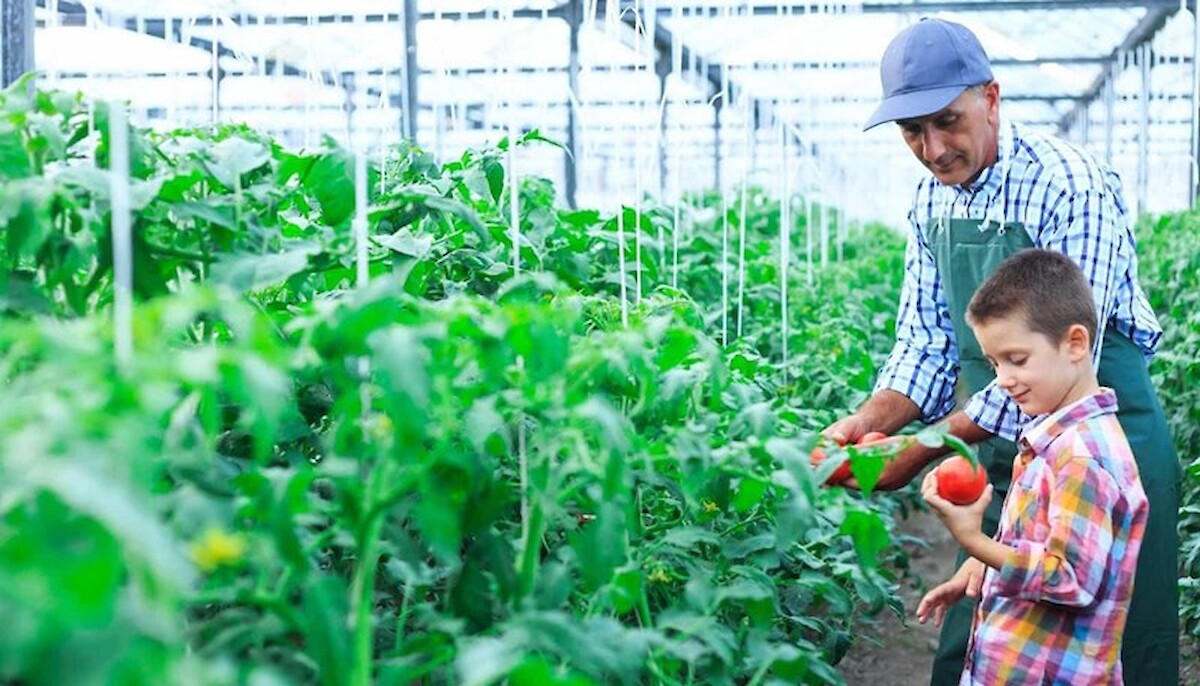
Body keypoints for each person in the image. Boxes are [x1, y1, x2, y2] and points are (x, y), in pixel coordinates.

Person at [825, 17, 1181, 685]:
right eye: (912, 133)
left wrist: (931, 446)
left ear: (990, 98)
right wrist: (870, 427)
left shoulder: (1067, 184)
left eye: (947, 122)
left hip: (1104, 449)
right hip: (1015, 453)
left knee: (1117, 648)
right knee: (989, 643)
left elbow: (1064, 357)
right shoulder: (929, 203)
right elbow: (924, 345)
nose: (933, 149)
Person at [916, 248, 1148, 684]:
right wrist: (982, 567)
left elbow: (1069, 579)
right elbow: (1039, 540)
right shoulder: (1053, 437)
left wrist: (973, 540)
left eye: (1017, 360)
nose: (1002, 378)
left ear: (1075, 343)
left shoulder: (1083, 457)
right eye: (993, 363)